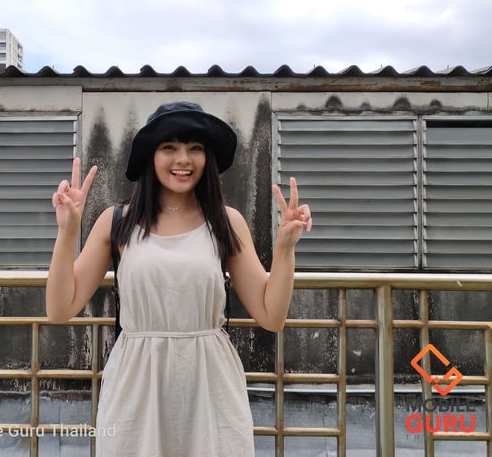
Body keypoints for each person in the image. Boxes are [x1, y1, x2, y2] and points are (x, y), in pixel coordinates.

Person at [46, 101, 312, 457]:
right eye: (169, 147)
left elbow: (272, 316)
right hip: (137, 384)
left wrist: (285, 248)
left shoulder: (226, 222)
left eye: (195, 148)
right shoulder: (117, 221)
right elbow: (59, 309)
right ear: (151, 156)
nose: (183, 159)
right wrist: (67, 231)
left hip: (210, 383)